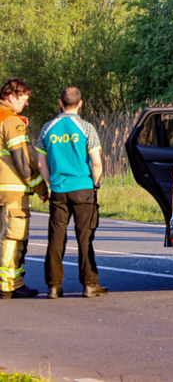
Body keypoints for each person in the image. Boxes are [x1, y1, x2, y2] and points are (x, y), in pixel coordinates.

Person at [36, 87, 107, 299]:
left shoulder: (47, 128)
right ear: (80, 103)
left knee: (56, 238)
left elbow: (41, 163)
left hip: (59, 189)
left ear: (60, 102)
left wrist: (52, 184)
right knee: (84, 236)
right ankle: (89, 284)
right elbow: (96, 162)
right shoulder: (86, 128)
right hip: (83, 188)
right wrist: (94, 184)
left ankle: (53, 286)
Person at [0, 79, 48, 299]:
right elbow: (23, 158)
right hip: (12, 191)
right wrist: (40, 187)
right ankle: (9, 285)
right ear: (12, 96)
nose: (26, 104)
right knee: (14, 237)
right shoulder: (11, 121)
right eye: (24, 99)